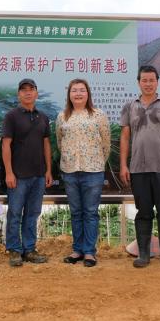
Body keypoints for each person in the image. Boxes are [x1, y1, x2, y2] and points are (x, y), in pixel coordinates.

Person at [119, 65, 160, 270]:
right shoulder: (130, 106)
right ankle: (144, 254)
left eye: (151, 80)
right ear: (138, 82)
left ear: (157, 82)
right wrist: (123, 164)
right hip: (138, 168)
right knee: (143, 211)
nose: (148, 84)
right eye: (144, 80)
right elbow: (125, 136)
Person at [56, 78, 111, 267]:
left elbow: (106, 143)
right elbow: (60, 141)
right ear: (69, 94)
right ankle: (77, 250)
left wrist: (96, 162)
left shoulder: (98, 115)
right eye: (74, 91)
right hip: (70, 170)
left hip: (93, 171)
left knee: (90, 212)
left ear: (88, 94)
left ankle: (89, 252)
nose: (78, 94)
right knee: (76, 212)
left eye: (82, 90)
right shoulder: (62, 116)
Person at [2, 78, 53, 267]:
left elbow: (46, 144)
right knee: (15, 213)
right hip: (18, 175)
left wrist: (48, 170)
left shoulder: (43, 117)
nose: (28, 93)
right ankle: (15, 250)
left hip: (39, 175)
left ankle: (30, 249)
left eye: (31, 89)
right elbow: (5, 145)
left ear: (36, 93)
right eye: (23, 90)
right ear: (19, 94)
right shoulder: (11, 116)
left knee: (33, 213)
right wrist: (9, 172)